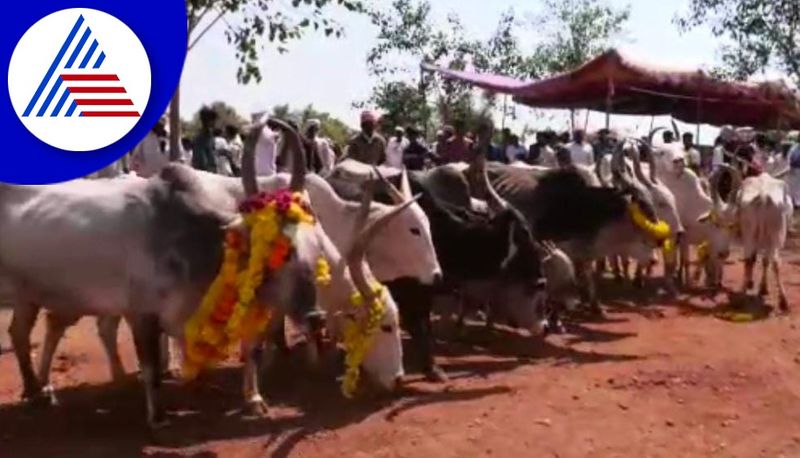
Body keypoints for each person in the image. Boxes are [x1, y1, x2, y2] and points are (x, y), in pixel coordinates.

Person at [192, 107, 218, 172]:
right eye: (213, 120)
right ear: (207, 121)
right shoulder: (201, 138)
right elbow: (201, 162)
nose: (215, 122)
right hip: (205, 174)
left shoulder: (210, 136)